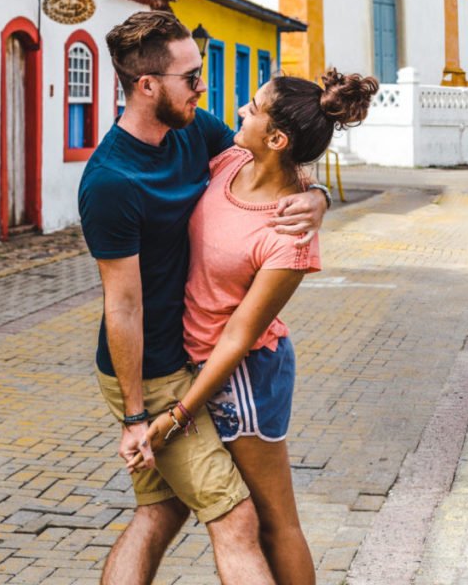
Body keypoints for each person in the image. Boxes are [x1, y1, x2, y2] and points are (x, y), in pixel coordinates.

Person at [79, 11, 330, 585]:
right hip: (154, 369)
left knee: (160, 511)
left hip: (192, 360)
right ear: (148, 86)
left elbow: (270, 161)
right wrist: (139, 415)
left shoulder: (193, 128)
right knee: (237, 518)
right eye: (191, 76)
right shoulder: (110, 182)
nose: (204, 87)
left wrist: (317, 197)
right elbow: (122, 307)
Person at [130, 68, 378, 585]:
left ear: (277, 138)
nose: (241, 109)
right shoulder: (232, 159)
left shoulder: (289, 235)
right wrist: (320, 194)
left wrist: (180, 413)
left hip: (243, 376)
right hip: (198, 365)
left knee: (273, 520)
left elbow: (241, 334)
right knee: (200, 512)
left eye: (255, 107)